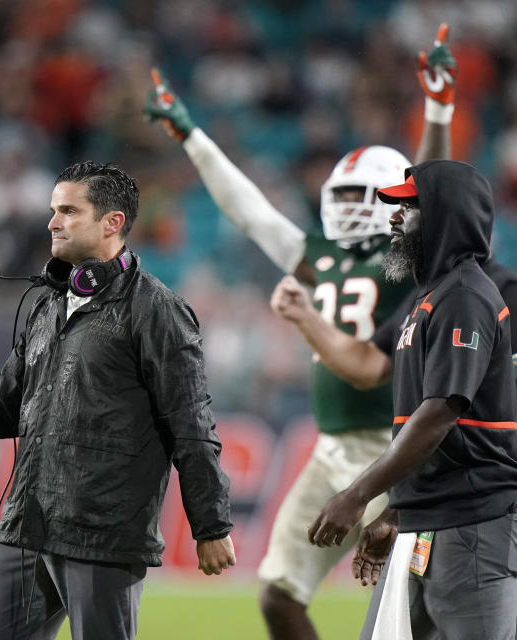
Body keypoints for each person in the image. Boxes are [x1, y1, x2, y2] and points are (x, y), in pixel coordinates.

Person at [143, 23, 458, 640]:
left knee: (412, 609)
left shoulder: (410, 257)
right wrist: (192, 135)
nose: (343, 204)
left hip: (403, 449)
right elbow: (250, 210)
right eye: (338, 193)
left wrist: (438, 107)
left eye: (358, 193)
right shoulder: (321, 255)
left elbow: (436, 183)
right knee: (278, 596)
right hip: (331, 448)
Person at [0, 161, 235, 640]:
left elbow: (190, 422)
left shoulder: (157, 310)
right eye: (52, 209)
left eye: (68, 210)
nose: (52, 222)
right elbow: (4, 404)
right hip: (25, 525)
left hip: (102, 535)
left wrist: (210, 525)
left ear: (112, 222)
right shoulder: (48, 303)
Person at [299, 159, 517, 639]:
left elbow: (440, 414)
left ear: (445, 215)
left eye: (408, 205)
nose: (393, 217)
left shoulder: (464, 297)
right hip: (428, 523)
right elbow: (428, 427)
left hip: (472, 526)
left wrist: (358, 495)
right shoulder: (429, 297)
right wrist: (397, 509)